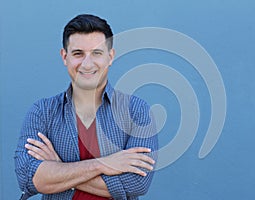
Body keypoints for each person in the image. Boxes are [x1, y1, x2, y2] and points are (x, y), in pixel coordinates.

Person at [14, 14, 158, 200]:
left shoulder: (136, 111)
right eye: (78, 53)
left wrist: (57, 167)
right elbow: (28, 178)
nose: (87, 63)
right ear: (65, 57)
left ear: (110, 56)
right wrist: (104, 164)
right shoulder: (42, 112)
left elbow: (137, 184)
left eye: (97, 53)